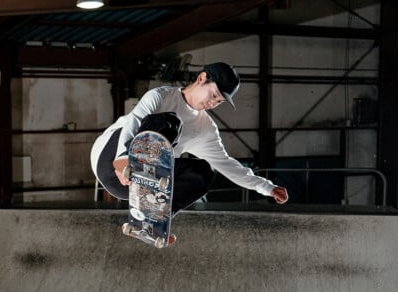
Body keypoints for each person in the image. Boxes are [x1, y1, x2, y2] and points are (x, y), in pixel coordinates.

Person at [90, 61, 289, 225]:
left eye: (218, 102)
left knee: (204, 172)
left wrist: (266, 187)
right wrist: (123, 159)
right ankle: (135, 166)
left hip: (130, 186)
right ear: (201, 78)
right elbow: (133, 123)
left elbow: (227, 165)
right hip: (109, 159)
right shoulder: (161, 96)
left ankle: (155, 217)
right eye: (213, 95)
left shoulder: (205, 129)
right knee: (170, 122)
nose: (212, 104)